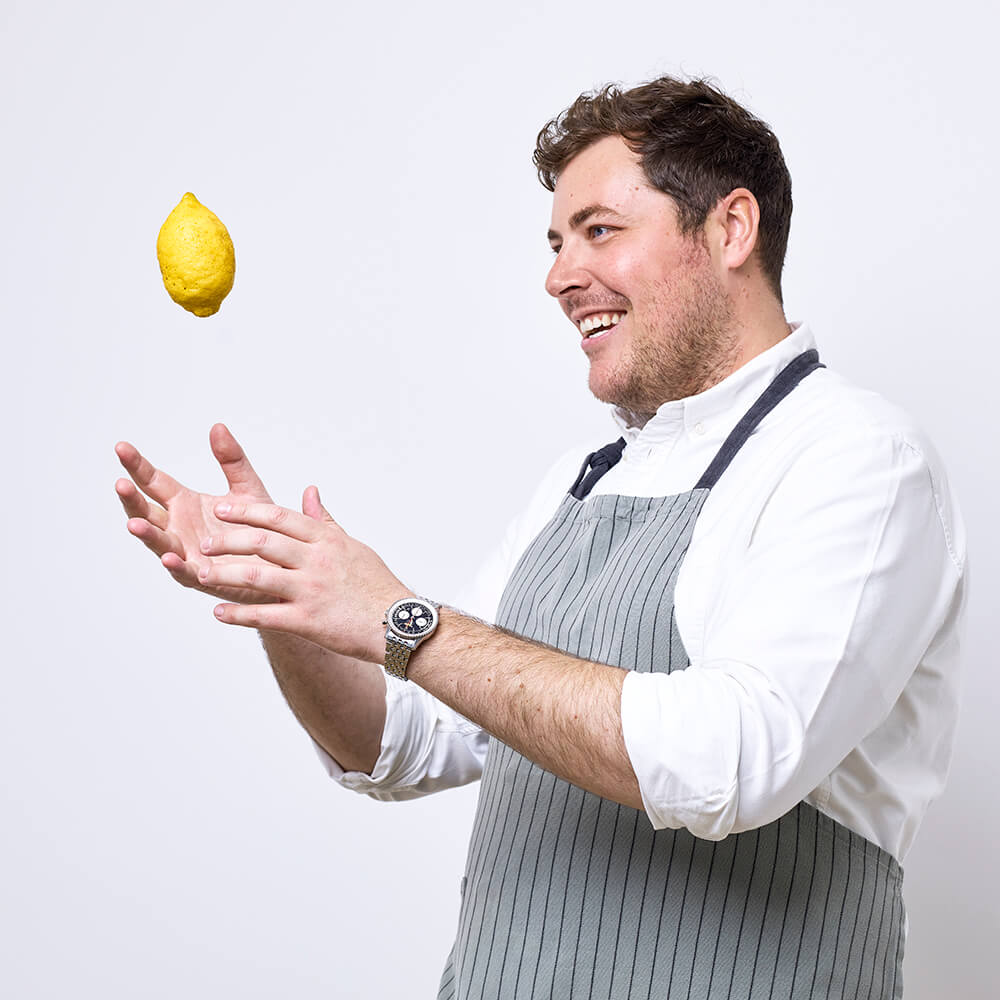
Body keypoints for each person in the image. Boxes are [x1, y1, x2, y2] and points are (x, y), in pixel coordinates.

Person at [116, 76, 967, 999]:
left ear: (730, 229)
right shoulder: (577, 484)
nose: (560, 275)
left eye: (600, 230)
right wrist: (284, 595)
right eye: (557, 242)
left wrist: (407, 623)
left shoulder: (858, 460)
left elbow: (730, 759)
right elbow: (401, 742)